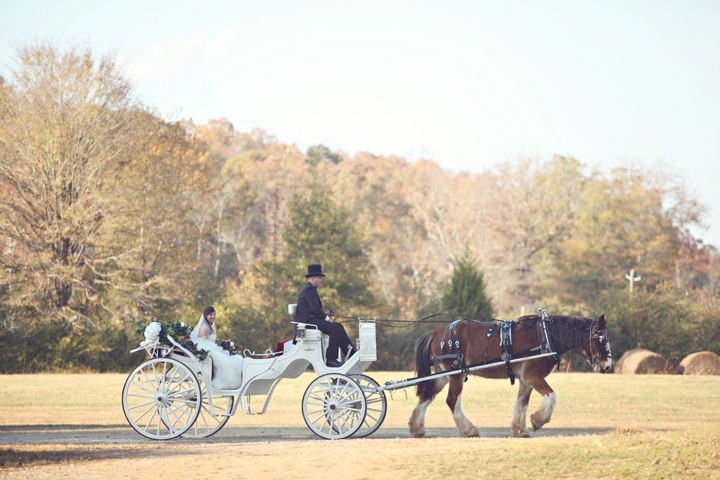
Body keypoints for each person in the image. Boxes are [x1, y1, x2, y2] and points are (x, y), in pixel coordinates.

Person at [296, 264, 356, 368]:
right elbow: (314, 309)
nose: (321, 280)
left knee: (339, 327)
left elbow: (313, 309)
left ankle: (350, 354)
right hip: (308, 322)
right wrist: (327, 319)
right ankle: (331, 360)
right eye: (320, 278)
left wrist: (325, 314)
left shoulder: (310, 288)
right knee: (335, 329)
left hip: (311, 319)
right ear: (313, 278)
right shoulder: (309, 289)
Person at [190, 305, 244, 390]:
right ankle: (224, 383)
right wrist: (217, 350)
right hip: (206, 349)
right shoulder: (205, 327)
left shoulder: (210, 326)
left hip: (210, 347)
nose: (212, 316)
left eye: (214, 314)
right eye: (210, 314)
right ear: (205, 316)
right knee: (225, 361)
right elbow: (204, 342)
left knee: (235, 359)